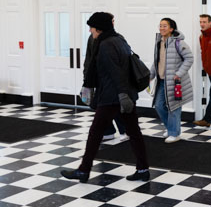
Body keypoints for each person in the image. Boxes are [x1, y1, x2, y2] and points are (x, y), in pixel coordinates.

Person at [62, 12, 150, 183]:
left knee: (95, 133)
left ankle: (83, 170)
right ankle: (143, 169)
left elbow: (116, 73)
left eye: (92, 28)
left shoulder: (106, 45)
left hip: (113, 96)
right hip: (124, 94)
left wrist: (122, 95)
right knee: (134, 132)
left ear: (99, 28)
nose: (90, 31)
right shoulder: (119, 39)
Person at [80, 12, 126, 144]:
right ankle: (108, 132)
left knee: (111, 106)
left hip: (111, 81)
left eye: (113, 20)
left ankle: (123, 130)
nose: (113, 23)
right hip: (99, 80)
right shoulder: (92, 38)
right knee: (102, 106)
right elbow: (89, 58)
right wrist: (87, 77)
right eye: (111, 20)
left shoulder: (116, 39)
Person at [151, 18, 193, 143]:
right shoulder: (159, 42)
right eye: (160, 26)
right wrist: (151, 74)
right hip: (161, 81)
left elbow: (189, 58)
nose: (161, 28)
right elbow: (156, 61)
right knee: (159, 105)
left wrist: (179, 73)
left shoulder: (179, 43)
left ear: (171, 29)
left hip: (175, 82)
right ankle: (171, 128)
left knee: (174, 108)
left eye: (165, 26)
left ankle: (174, 133)